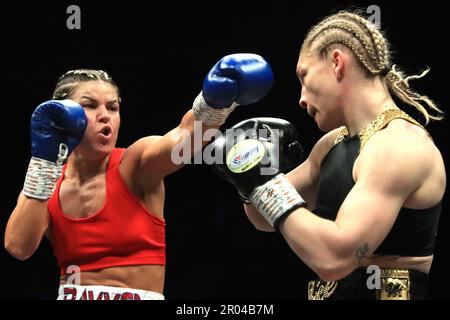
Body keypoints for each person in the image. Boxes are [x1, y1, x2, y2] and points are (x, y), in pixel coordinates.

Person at [210, 10, 446, 300]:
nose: (301, 98)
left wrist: (266, 181)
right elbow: (262, 217)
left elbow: (335, 259)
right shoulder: (332, 144)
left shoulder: (399, 145)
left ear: (336, 62)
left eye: (304, 76)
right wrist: (249, 176)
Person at [4, 54, 274, 300]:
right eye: (89, 105)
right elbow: (18, 246)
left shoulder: (135, 164)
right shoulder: (47, 181)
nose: (105, 117)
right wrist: (44, 160)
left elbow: (184, 140)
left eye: (112, 107)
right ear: (60, 115)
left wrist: (214, 104)